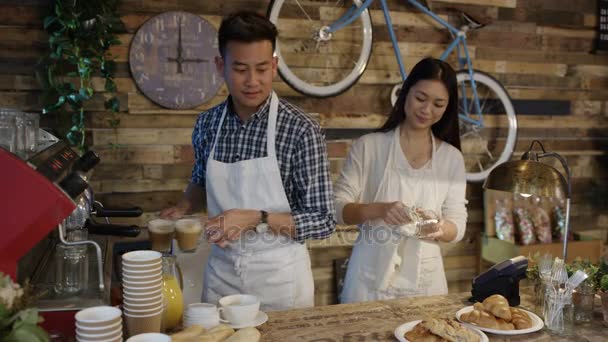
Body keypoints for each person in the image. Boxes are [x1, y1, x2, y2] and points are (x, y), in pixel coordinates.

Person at [160, 11, 335, 311]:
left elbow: (323, 220)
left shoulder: (300, 129)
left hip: (281, 284)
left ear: (275, 67)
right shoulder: (207, 124)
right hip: (221, 279)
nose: (252, 81)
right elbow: (201, 179)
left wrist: (259, 218)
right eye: (240, 69)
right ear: (220, 66)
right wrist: (185, 205)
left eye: (262, 69)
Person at [335, 58, 467, 303]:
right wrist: (380, 209)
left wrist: (438, 227)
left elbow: (458, 226)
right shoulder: (370, 147)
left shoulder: (452, 159)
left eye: (438, 104)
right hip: (369, 276)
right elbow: (337, 209)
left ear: (448, 107)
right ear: (405, 93)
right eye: (420, 98)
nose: (427, 110)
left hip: (426, 280)